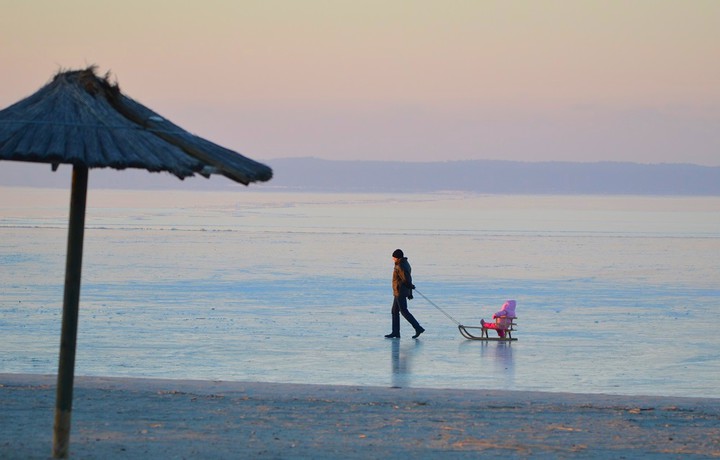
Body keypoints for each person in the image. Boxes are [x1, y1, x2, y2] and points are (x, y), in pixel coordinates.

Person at [385, 249, 425, 339]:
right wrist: (409, 291)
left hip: (400, 292)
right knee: (394, 311)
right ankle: (395, 332)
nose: (393, 259)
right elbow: (408, 279)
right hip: (398, 291)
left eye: (394, 257)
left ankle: (418, 328)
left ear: (397, 257)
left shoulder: (400, 266)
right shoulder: (404, 263)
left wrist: (410, 288)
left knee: (404, 311)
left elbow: (406, 279)